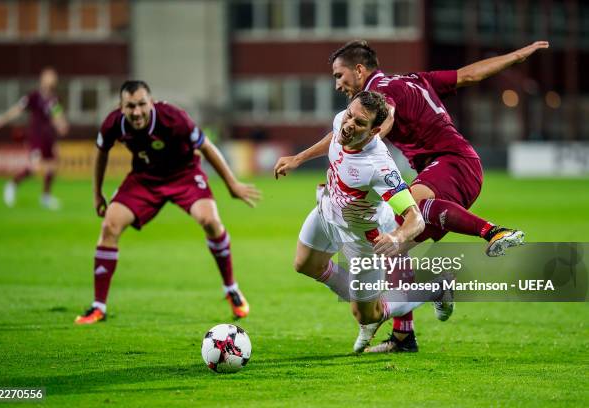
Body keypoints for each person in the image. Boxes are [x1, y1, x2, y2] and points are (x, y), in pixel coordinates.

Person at [274, 40, 549, 352]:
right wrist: (514, 55)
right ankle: (404, 336)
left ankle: (491, 232)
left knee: (405, 217)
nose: (338, 84)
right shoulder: (412, 79)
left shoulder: (380, 99)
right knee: (395, 245)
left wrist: (374, 143)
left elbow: (386, 114)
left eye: (340, 75)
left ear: (360, 70)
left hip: (450, 164)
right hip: (449, 163)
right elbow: (468, 75)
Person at [75, 80, 261, 324]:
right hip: (145, 179)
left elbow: (206, 147)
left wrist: (232, 184)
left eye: (142, 104)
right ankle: (98, 306)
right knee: (109, 226)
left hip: (184, 175)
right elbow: (101, 152)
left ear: (151, 103)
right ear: (121, 107)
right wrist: (97, 192)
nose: (137, 111)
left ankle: (231, 289)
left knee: (210, 221)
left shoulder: (174, 118)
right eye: (130, 106)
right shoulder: (113, 123)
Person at [281, 90, 447, 353]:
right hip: (327, 212)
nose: (349, 125)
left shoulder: (378, 167)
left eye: (359, 123)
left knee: (368, 315)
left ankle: (435, 289)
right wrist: (297, 159)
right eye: (349, 115)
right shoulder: (343, 121)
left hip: (361, 239)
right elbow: (333, 138)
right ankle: (368, 299)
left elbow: (416, 218)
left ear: (374, 131)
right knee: (303, 264)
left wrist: (397, 237)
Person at [0, 67, 69, 210]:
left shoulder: (53, 99)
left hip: (48, 137)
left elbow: (57, 115)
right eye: (50, 76)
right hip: (36, 136)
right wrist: (2, 119)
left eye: (54, 76)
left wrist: (61, 124)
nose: (53, 79)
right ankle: (12, 184)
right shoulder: (34, 96)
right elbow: (18, 109)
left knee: (52, 166)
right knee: (36, 165)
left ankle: (45, 197)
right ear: (43, 78)